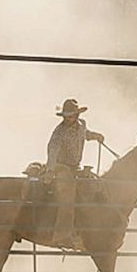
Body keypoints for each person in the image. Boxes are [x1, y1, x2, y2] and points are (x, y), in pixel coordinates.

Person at [46, 98, 105, 250]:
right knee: (68, 195)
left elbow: (86, 134)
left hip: (75, 167)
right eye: (66, 116)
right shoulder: (59, 132)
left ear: (77, 115)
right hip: (61, 167)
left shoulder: (82, 125)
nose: (67, 118)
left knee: (94, 185)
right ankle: (62, 236)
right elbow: (52, 150)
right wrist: (51, 170)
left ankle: (87, 228)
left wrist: (96, 136)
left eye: (71, 115)